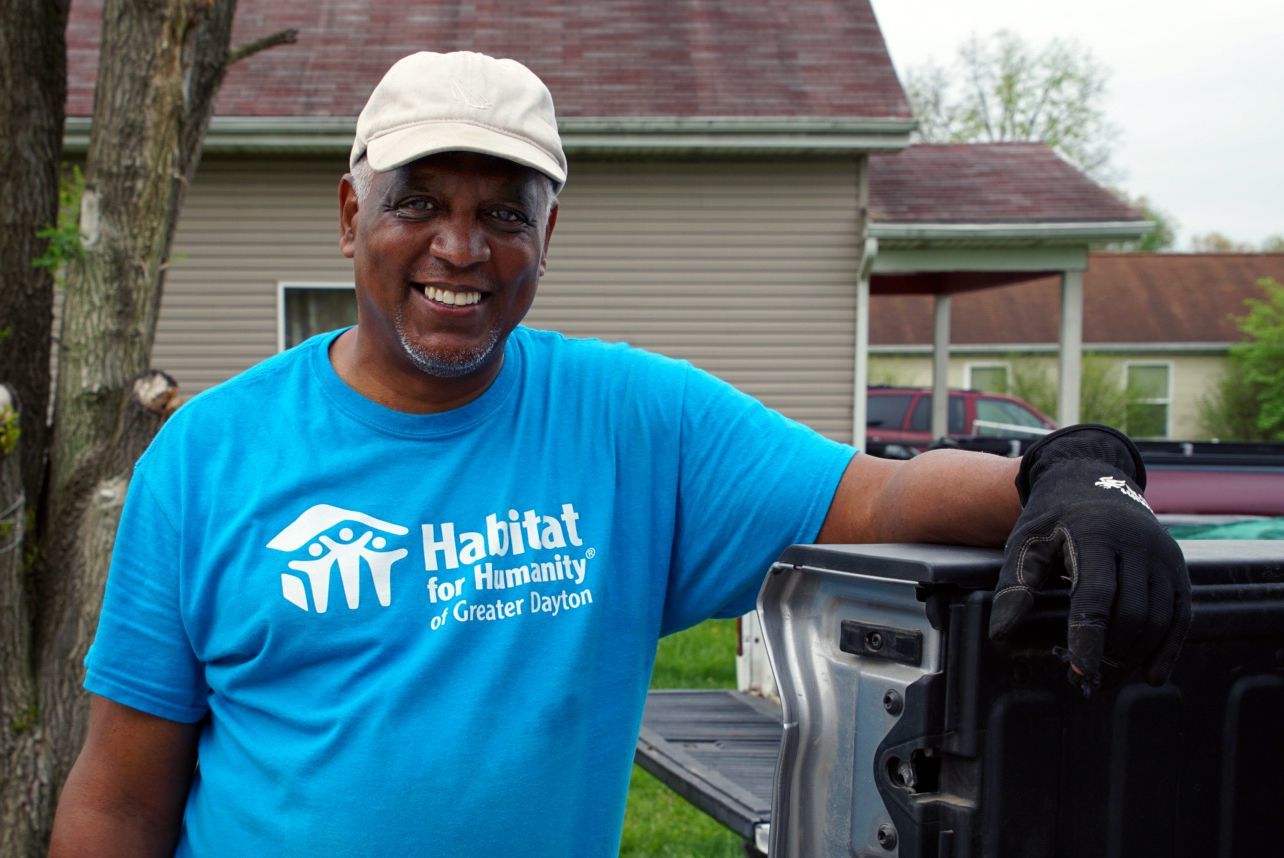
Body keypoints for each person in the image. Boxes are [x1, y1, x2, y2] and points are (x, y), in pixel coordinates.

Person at [49, 51, 1188, 856]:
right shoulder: (208, 456)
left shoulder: (634, 423)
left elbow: (880, 497)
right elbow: (119, 800)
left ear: (551, 233)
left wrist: (1069, 474)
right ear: (352, 216)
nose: (460, 246)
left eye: (506, 213)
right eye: (421, 202)